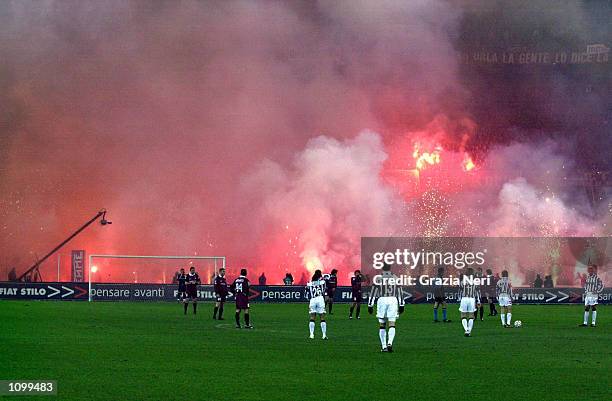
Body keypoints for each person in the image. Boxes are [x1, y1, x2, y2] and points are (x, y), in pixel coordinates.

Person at [368, 264, 405, 352]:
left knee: (382, 325)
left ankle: (384, 346)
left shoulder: (378, 278)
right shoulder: (395, 277)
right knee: (392, 324)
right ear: (390, 268)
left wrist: (370, 305)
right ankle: (390, 343)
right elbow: (400, 292)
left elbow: (373, 292)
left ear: (382, 269)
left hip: (382, 300)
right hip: (392, 300)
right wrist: (402, 304)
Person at [305, 270, 328, 339]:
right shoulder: (322, 282)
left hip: (313, 299)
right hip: (320, 299)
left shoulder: (309, 283)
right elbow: (324, 290)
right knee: (322, 317)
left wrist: (309, 299)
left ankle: (311, 335)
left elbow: (306, 294)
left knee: (312, 317)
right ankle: (324, 335)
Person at [458, 267, 481, 337]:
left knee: (463, 315)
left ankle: (466, 330)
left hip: (464, 299)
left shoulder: (462, 281)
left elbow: (460, 291)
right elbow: (478, 292)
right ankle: (469, 331)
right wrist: (479, 300)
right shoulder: (475, 281)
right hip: (472, 299)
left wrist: (459, 299)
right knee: (471, 316)